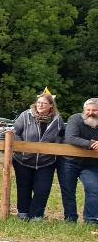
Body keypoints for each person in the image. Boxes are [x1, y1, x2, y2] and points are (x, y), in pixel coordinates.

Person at [12, 93, 63, 221]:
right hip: (23, 160)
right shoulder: (25, 115)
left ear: (51, 106)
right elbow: (14, 132)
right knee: (24, 187)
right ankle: (23, 214)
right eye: (39, 102)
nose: (40, 105)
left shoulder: (57, 120)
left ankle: (36, 216)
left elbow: (61, 136)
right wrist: (22, 148)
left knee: (42, 189)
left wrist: (54, 148)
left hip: (46, 161)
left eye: (44, 103)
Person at [61, 97, 98, 225]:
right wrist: (91, 144)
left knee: (94, 188)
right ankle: (70, 220)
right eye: (88, 110)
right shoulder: (75, 119)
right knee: (68, 191)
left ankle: (91, 220)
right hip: (69, 161)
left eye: (94, 110)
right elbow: (70, 138)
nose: (90, 113)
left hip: (91, 164)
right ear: (84, 110)